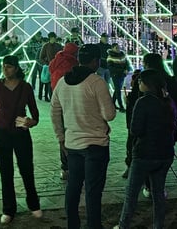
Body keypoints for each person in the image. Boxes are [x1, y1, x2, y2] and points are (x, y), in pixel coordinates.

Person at [50, 44, 116, 229]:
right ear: (95, 61)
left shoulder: (63, 82)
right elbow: (109, 114)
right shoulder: (96, 82)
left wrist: (60, 137)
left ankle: (73, 225)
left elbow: (54, 110)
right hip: (95, 143)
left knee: (73, 188)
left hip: (72, 145)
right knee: (93, 192)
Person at [0, 55, 42, 225]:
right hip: (1, 134)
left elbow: (35, 113)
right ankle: (8, 209)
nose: (5, 70)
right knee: (6, 173)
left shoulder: (25, 87)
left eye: (8, 67)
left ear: (16, 68)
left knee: (26, 170)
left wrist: (32, 122)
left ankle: (33, 203)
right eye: (3, 66)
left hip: (21, 134)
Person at [114, 69, 176, 229]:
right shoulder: (168, 101)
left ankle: (123, 225)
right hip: (165, 153)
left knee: (132, 193)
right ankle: (158, 225)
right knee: (158, 193)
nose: (138, 84)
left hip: (144, 154)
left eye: (140, 81)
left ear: (147, 84)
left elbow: (135, 130)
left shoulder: (143, 102)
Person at [49, 41, 79, 180]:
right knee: (71, 132)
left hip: (56, 96)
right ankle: (71, 165)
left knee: (62, 133)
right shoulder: (71, 63)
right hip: (70, 101)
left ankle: (65, 166)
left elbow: (50, 69)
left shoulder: (57, 59)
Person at [38, 32, 63, 99]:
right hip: (49, 67)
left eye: (54, 38)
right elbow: (41, 57)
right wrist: (46, 64)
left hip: (57, 67)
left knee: (55, 83)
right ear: (50, 38)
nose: (54, 39)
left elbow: (62, 56)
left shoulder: (59, 46)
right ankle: (50, 97)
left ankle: (54, 97)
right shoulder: (46, 46)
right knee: (48, 83)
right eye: (53, 38)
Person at [107, 43, 131, 112]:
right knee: (118, 90)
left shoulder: (122, 54)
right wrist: (122, 70)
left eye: (118, 47)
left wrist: (127, 69)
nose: (118, 49)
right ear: (112, 48)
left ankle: (112, 104)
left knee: (117, 90)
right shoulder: (110, 56)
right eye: (116, 48)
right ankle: (121, 106)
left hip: (122, 75)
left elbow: (127, 63)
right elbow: (111, 68)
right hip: (115, 75)